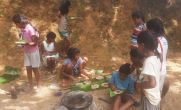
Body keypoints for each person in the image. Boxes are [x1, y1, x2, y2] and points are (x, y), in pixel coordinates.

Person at [12, 14, 41, 88]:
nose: (16, 26)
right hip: (27, 51)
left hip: (33, 52)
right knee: (28, 69)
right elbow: (24, 39)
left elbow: (35, 43)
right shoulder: (22, 28)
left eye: (16, 24)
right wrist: (21, 43)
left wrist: (24, 43)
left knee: (35, 69)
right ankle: (30, 85)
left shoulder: (29, 29)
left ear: (19, 23)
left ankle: (38, 85)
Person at [136, 31, 161, 110]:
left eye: (138, 45)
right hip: (155, 96)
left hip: (150, 100)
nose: (137, 47)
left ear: (142, 45)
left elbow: (152, 83)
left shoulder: (148, 61)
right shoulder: (156, 57)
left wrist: (139, 85)